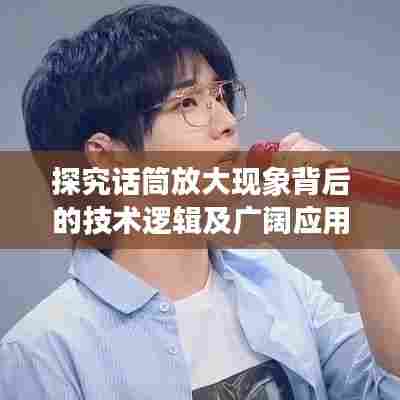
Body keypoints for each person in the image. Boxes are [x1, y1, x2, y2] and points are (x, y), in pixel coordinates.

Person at [1, 3, 399, 399]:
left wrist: (346, 226)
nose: (227, 122)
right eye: (187, 103)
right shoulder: (44, 354)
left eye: (221, 96)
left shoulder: (274, 282)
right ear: (106, 157)